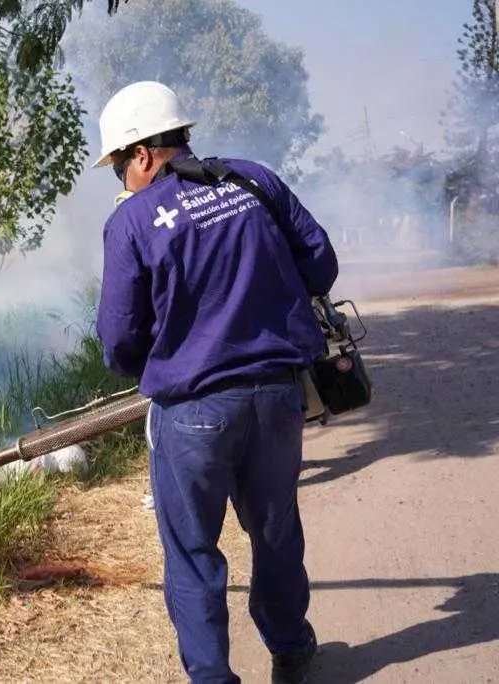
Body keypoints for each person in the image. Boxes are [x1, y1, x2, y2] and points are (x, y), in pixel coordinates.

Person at [92, 81, 339, 684]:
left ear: (143, 154)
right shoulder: (253, 180)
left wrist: (166, 359)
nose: (121, 182)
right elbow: (321, 262)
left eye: (119, 168)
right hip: (279, 398)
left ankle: (211, 676)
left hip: (193, 415)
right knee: (275, 530)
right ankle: (291, 649)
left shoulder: (133, 221)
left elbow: (119, 340)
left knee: (193, 554)